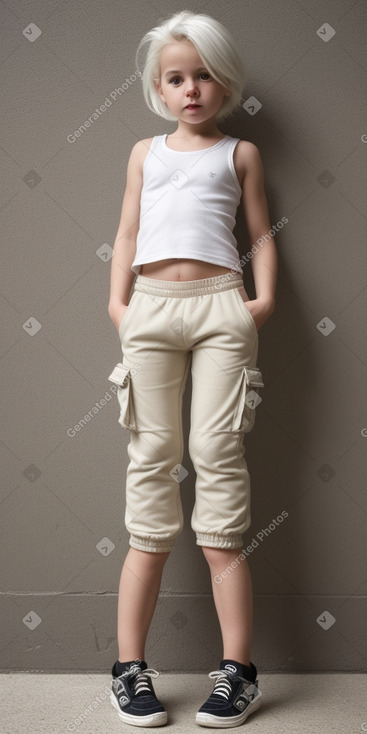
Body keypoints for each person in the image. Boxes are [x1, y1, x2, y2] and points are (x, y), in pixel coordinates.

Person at [107, 9, 277, 729]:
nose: (190, 89)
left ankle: (237, 669)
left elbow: (260, 233)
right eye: (175, 78)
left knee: (217, 457)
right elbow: (124, 233)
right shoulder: (145, 152)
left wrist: (257, 303)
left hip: (219, 310)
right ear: (157, 86)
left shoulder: (238, 153)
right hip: (150, 309)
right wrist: (119, 308)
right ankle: (128, 668)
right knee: (152, 461)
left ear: (223, 81)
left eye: (203, 75)